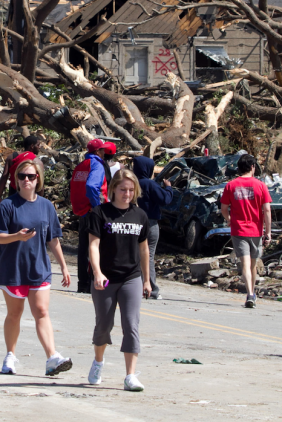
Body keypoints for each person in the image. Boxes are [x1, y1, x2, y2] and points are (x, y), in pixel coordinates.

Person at [0, 157, 73, 377]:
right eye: (22, 176)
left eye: (31, 176)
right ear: (16, 180)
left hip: (39, 268)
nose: (26, 180)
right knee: (14, 314)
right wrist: (16, 236)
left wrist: (63, 267)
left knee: (42, 312)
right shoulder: (8, 205)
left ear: (38, 180)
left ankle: (52, 357)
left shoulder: (46, 206)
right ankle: (10, 355)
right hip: (13, 269)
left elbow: (53, 239)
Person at [86, 168, 151, 392]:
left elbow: (144, 250)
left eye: (131, 190)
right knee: (104, 325)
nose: (127, 194)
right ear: (113, 189)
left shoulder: (140, 215)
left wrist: (146, 279)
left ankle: (130, 376)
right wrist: (97, 272)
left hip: (131, 277)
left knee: (131, 324)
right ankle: (98, 362)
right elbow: (93, 245)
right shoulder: (100, 213)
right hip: (105, 278)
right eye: (123, 189)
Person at [220, 154, 271, 308]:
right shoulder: (261, 185)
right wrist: (268, 232)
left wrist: (229, 220)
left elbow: (223, 208)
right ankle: (251, 293)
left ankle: (250, 293)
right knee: (252, 265)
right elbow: (267, 210)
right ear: (253, 167)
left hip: (238, 230)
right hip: (256, 230)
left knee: (245, 264)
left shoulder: (231, 185)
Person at [70, 139, 110, 294]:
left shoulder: (81, 166)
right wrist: (97, 207)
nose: (104, 153)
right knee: (95, 248)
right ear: (98, 152)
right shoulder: (97, 165)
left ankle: (83, 284)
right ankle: (92, 282)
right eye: (102, 150)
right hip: (93, 212)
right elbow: (92, 186)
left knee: (83, 249)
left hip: (82, 211)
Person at [134, 155, 174, 300]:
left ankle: (134, 286)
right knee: (148, 256)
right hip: (149, 224)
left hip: (132, 222)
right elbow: (165, 199)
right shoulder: (150, 184)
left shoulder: (131, 183)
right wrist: (169, 188)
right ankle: (151, 289)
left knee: (134, 255)